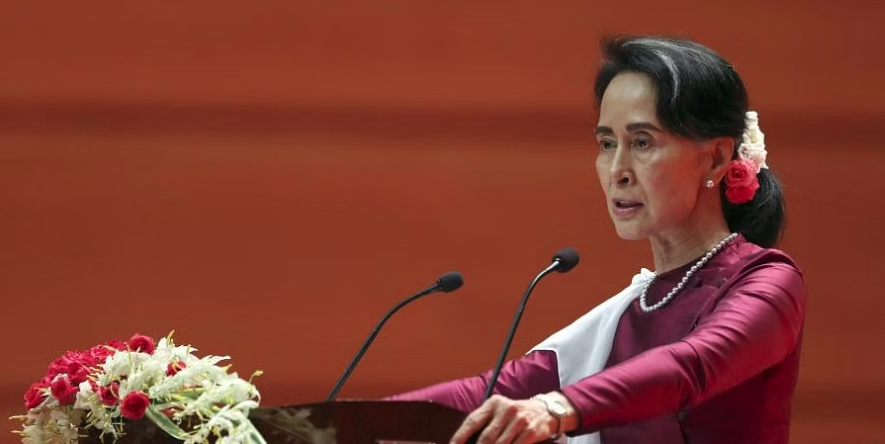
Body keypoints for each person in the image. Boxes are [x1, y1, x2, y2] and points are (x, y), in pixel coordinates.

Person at [388, 35, 807, 444]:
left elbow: (690, 366)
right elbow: (489, 393)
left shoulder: (767, 282)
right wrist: (362, 421)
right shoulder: (630, 311)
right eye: (607, 143)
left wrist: (556, 408)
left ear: (715, 157)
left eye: (642, 142)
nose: (617, 170)